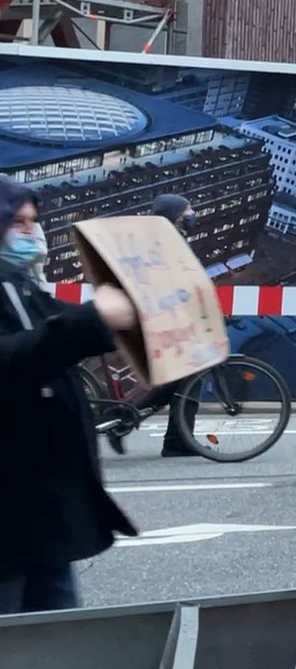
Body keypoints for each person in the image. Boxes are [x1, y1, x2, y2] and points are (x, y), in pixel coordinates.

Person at [0, 178, 139, 614]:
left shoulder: (18, 283)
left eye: (32, 221)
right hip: (10, 516)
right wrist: (92, 321)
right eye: (15, 222)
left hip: (37, 510)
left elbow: (52, 326)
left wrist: (110, 326)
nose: (30, 232)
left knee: (58, 636)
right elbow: (17, 353)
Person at [137, 193, 203, 458]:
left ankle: (137, 414)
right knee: (194, 371)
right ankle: (177, 440)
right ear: (176, 216)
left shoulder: (165, 239)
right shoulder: (168, 242)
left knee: (181, 375)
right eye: (189, 210)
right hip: (165, 321)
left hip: (162, 319)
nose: (193, 214)